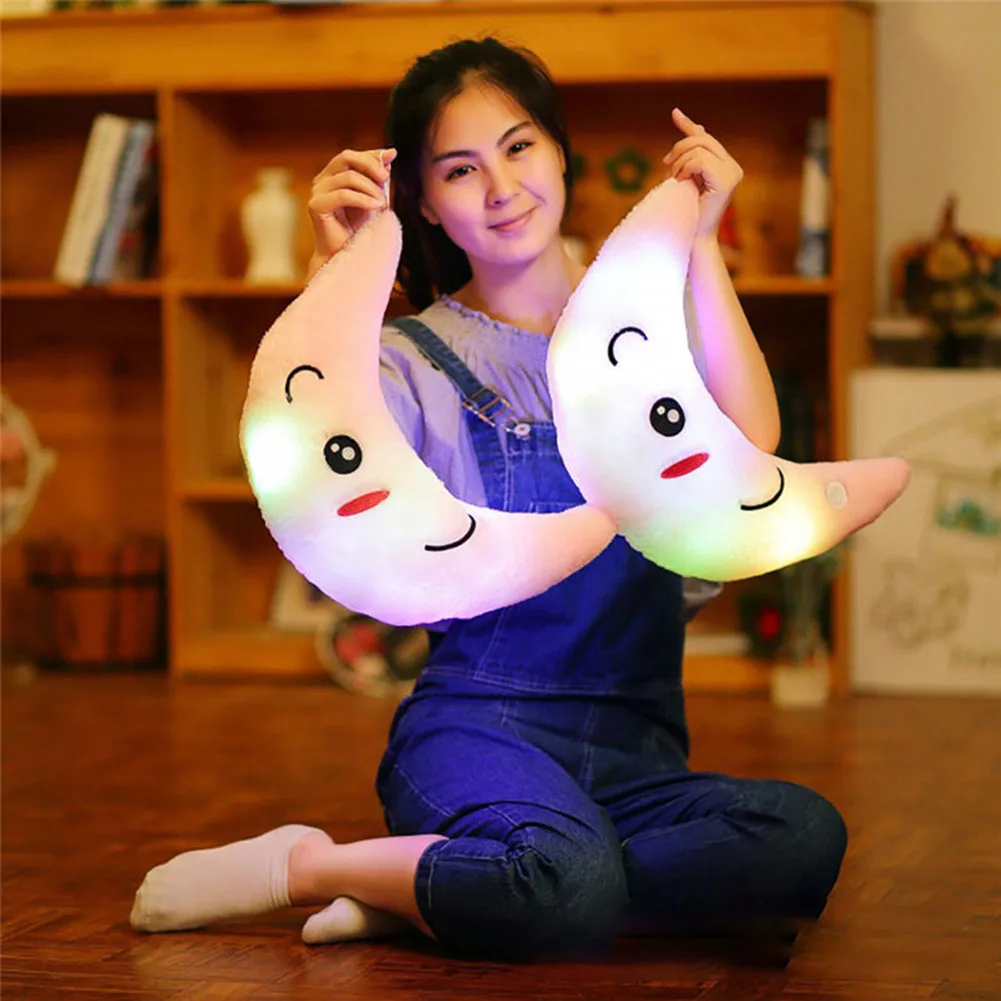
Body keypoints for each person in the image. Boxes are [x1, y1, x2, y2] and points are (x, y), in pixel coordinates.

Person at [130, 37, 847, 960]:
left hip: (637, 749)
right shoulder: (404, 359)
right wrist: (329, 278)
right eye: (460, 169)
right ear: (424, 200)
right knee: (573, 879)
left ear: (559, 152)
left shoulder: (646, 328)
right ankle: (317, 865)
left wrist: (700, 236)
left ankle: (440, 886)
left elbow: (749, 446)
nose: (501, 187)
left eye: (518, 148)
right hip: (475, 729)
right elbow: (313, 470)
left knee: (802, 836)